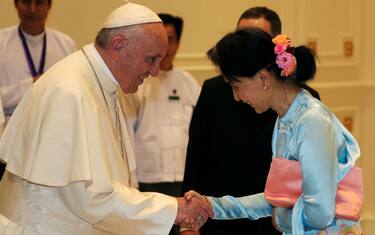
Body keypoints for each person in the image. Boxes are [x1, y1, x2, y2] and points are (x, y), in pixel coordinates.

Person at [0, 3, 211, 234]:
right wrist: (174, 208)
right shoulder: (71, 92)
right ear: (118, 44)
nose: (155, 71)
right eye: (151, 59)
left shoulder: (100, 83)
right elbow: (90, 197)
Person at [186, 28, 362, 234]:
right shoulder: (286, 118)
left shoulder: (312, 121)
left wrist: (280, 217)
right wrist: (213, 206)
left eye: (236, 85)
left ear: (263, 79)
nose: (236, 96)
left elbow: (320, 214)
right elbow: (279, 197)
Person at [182, 7, 319, 235]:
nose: (236, 95)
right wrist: (195, 215)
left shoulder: (306, 112)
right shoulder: (215, 90)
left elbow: (317, 202)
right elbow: (197, 154)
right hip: (224, 222)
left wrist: (283, 218)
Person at [120, 13, 200, 235]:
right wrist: (131, 183)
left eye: (171, 39)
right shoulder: (138, 81)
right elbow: (125, 133)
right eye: (161, 38)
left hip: (183, 180)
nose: (166, 46)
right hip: (147, 180)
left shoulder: (189, 83)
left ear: (178, 43)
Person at [0, 0, 76, 178]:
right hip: (10, 140)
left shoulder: (66, 44)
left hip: (51, 140)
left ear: (49, 6)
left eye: (39, 3)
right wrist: (31, 86)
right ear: (16, 4)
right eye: (26, 2)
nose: (32, 10)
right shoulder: (1, 42)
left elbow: (72, 95)